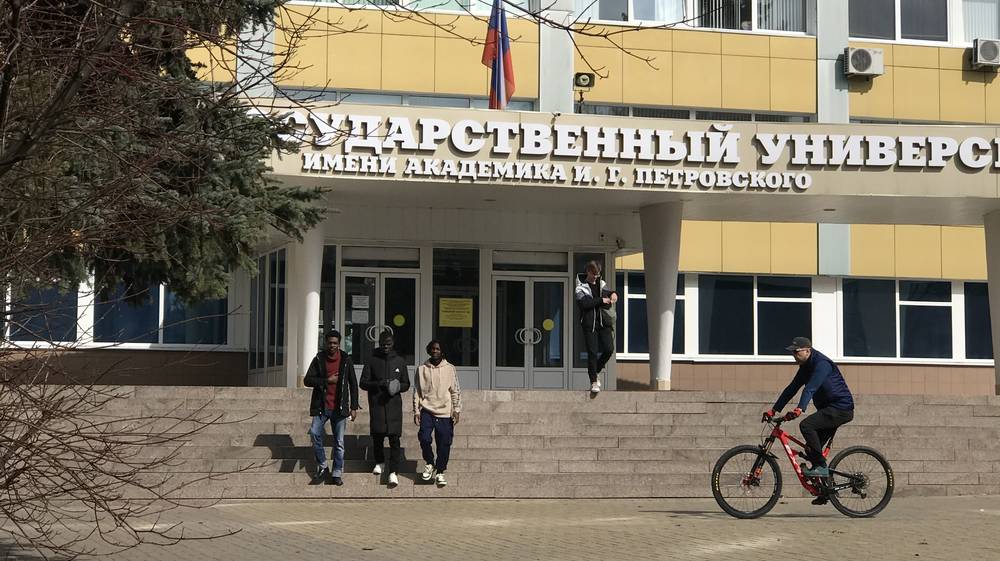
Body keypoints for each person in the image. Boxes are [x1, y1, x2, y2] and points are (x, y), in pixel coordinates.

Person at [763, 337, 855, 503]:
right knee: (812, 450)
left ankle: (821, 467)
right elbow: (791, 389)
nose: (794, 355)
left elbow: (811, 387)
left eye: (796, 352)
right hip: (828, 409)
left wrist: (800, 408)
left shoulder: (822, 364)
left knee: (806, 425)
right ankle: (824, 491)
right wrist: (774, 410)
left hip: (840, 408)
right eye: (792, 352)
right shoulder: (805, 367)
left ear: (807, 350)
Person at [303, 330, 358, 486]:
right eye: (329, 343)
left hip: (339, 408)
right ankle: (323, 465)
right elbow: (307, 380)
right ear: (325, 343)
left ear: (339, 344)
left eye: (335, 343)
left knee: (339, 442)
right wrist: (327, 380)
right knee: (315, 433)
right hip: (321, 406)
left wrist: (354, 407)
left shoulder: (346, 359)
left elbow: (353, 384)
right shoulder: (319, 358)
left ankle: (337, 473)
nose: (332, 345)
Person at [359, 330, 411, 489]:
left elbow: (406, 384)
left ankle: (393, 472)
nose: (385, 347)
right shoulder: (372, 360)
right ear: (379, 344)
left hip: (394, 406)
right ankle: (379, 462)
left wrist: (396, 386)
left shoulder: (400, 361)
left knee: (395, 439)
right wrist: (379, 383)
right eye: (382, 344)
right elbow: (363, 383)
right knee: (378, 436)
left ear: (393, 343)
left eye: (388, 344)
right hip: (378, 404)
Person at [413, 340, 462, 487]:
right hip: (427, 410)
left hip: (445, 412)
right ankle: (430, 463)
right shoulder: (421, 369)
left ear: (442, 351)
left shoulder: (450, 368)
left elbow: (455, 390)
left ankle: (440, 471)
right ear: (429, 350)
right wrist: (416, 411)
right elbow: (417, 391)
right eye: (433, 349)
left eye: (438, 349)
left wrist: (457, 409)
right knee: (424, 437)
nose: (435, 351)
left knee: (444, 443)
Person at [575, 260, 618, 394]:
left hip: (603, 323)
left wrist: (613, 294)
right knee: (592, 352)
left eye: (598, 274)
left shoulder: (601, 284)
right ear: (588, 272)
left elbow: (608, 292)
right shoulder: (580, 287)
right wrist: (600, 300)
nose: (596, 277)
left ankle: (596, 369)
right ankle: (594, 381)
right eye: (594, 274)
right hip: (589, 325)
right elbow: (584, 304)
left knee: (609, 349)